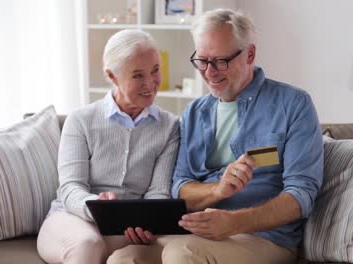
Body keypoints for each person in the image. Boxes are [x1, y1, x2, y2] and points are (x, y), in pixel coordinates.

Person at [108, 9, 323, 264]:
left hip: (263, 237)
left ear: (249, 54)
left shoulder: (293, 104)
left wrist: (234, 222)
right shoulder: (194, 112)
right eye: (202, 61)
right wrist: (218, 190)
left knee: (182, 255)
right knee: (122, 258)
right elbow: (180, 187)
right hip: (195, 233)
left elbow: (301, 194)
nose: (210, 72)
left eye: (221, 61)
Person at [36, 29, 180, 264]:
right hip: (73, 219)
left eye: (155, 70)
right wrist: (95, 206)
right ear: (112, 76)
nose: (150, 83)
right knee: (87, 244)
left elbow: (158, 193)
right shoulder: (81, 119)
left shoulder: (170, 127)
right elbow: (71, 187)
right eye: (137, 75)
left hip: (129, 229)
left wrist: (146, 223)